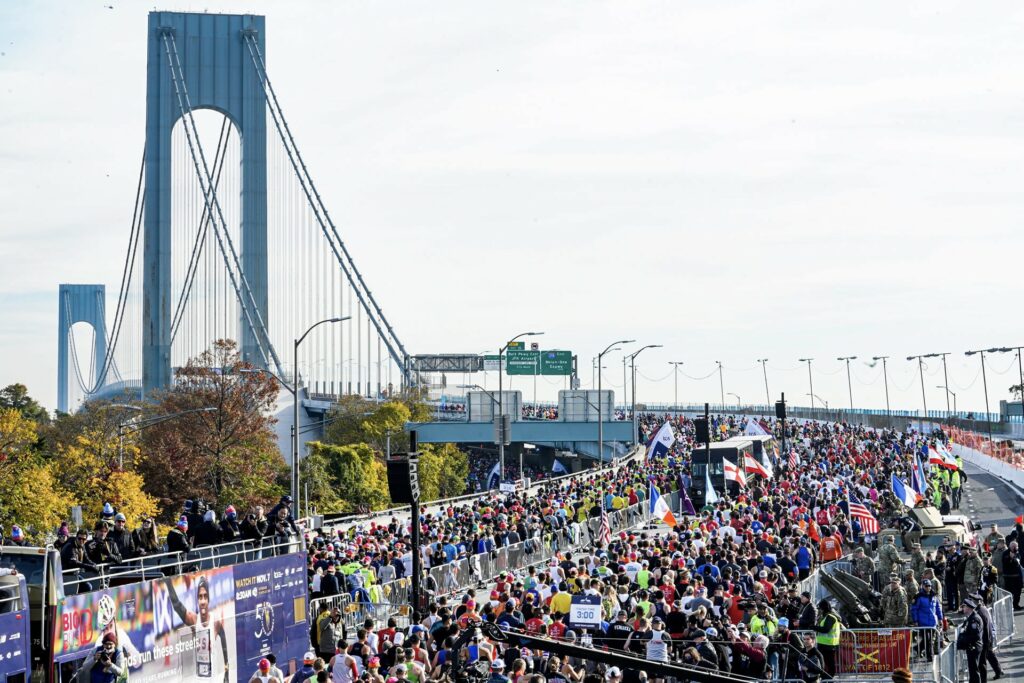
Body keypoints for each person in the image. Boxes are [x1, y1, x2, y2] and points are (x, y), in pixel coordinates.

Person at [968, 592, 1003, 680]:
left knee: (982, 662)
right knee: (990, 655)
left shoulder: (979, 612)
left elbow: (985, 628)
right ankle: (998, 671)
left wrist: (984, 642)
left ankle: (984, 679)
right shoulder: (983, 609)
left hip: (984, 640)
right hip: (988, 638)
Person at [909, 579, 943, 659]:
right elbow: (914, 609)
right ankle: (929, 657)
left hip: (932, 622)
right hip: (923, 622)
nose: (928, 587)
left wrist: (940, 618)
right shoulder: (918, 597)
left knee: (929, 640)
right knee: (927, 640)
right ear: (923, 586)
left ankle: (917, 649)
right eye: (926, 586)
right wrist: (915, 620)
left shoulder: (934, 596)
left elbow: (938, 608)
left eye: (929, 586)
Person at [957, 598, 984, 683]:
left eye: (964, 607)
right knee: (972, 670)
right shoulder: (970, 618)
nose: (963, 609)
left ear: (968, 608)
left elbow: (975, 636)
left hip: (974, 647)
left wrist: (963, 639)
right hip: (972, 646)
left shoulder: (974, 619)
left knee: (974, 671)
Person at [814, 600, 840, 677]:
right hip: (823, 644)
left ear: (824, 608)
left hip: (829, 644)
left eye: (820, 609)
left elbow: (826, 629)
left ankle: (830, 677)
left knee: (829, 662)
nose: (820, 610)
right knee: (823, 662)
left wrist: (814, 627)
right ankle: (825, 676)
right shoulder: (825, 617)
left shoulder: (830, 617)